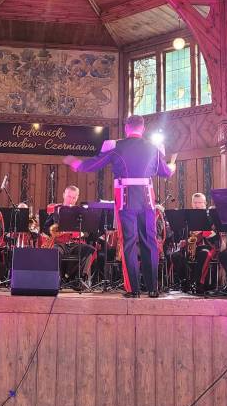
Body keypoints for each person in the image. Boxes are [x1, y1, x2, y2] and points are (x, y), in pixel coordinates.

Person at [64, 115, 175, 298]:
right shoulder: (153, 148)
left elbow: (95, 163)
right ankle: (153, 288)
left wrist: (77, 165)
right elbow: (165, 172)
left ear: (126, 128)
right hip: (147, 200)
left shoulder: (116, 146)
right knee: (150, 242)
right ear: (143, 129)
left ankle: (133, 290)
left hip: (126, 200)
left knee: (129, 243)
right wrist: (172, 167)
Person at [41, 186, 97, 290]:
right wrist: (54, 231)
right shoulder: (55, 211)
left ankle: (79, 279)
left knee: (89, 250)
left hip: (76, 243)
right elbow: (45, 229)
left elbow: (88, 231)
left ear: (77, 198)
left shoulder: (82, 212)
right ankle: (57, 279)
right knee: (55, 251)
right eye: (69, 196)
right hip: (60, 243)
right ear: (64, 195)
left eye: (73, 197)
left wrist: (81, 234)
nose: (70, 200)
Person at [169, 193, 221, 294]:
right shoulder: (188, 217)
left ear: (205, 203)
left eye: (200, 202)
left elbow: (216, 235)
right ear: (192, 204)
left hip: (207, 245)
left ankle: (198, 284)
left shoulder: (210, 216)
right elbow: (183, 234)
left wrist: (202, 233)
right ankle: (185, 281)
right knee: (175, 255)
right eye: (195, 203)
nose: (197, 205)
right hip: (191, 245)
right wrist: (183, 240)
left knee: (204, 254)